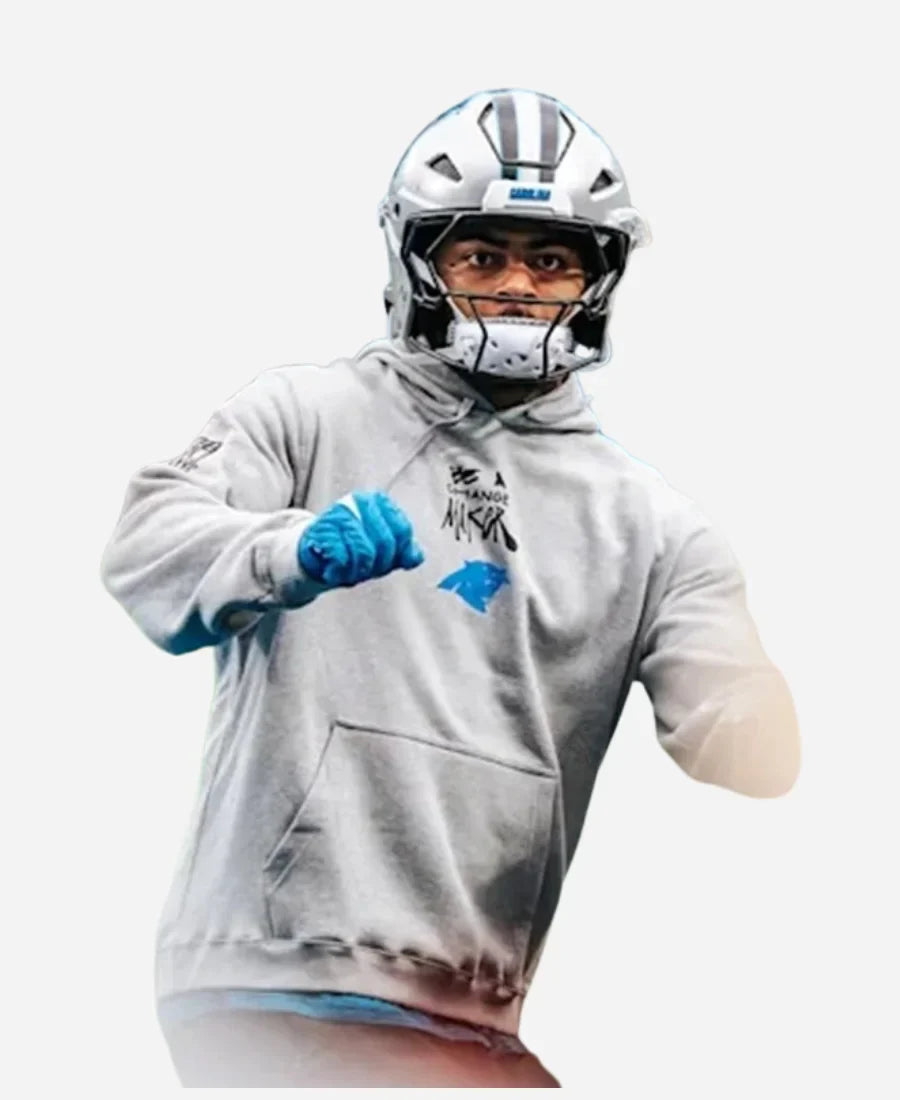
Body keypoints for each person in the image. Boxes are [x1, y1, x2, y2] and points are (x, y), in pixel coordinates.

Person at [99, 87, 802, 1088]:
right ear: (418, 264)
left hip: (469, 1003)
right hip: (276, 970)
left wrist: (781, 714)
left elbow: (746, 736)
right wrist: (290, 551)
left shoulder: (656, 528)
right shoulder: (304, 414)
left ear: (598, 279)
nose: (517, 285)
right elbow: (145, 545)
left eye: (551, 260)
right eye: (482, 256)